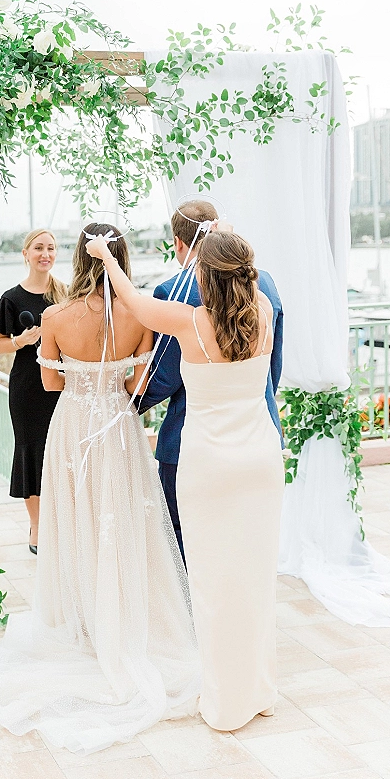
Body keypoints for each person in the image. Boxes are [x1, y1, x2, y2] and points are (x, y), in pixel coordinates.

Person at [0, 223, 201, 754]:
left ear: (76, 258)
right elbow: (140, 384)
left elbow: (50, 383)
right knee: (127, 518)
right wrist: (110, 384)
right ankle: (127, 621)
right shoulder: (140, 315)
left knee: (78, 520)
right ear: (122, 259)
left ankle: (87, 624)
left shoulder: (55, 316)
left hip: (72, 426)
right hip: (117, 425)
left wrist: (85, 381)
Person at [86, 227, 285, 731]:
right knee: (256, 579)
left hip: (210, 467)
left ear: (201, 274)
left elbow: (129, 301)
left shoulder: (190, 321)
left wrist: (106, 255)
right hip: (261, 462)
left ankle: (226, 703)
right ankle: (259, 689)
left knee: (214, 583)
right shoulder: (262, 309)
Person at [139, 200, 283, 561]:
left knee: (183, 533)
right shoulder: (262, 283)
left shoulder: (172, 292)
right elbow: (273, 365)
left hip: (192, 441)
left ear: (178, 242)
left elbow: (164, 377)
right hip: (258, 433)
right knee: (246, 538)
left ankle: (193, 613)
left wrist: (126, 403)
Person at [0, 228, 67, 553]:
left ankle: (63, 523)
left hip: (61, 385)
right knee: (32, 453)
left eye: (51, 248)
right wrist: (22, 340)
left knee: (60, 453)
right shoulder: (11, 298)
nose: (45, 254)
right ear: (26, 254)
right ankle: (37, 527)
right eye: (39, 248)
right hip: (27, 389)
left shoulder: (65, 294)